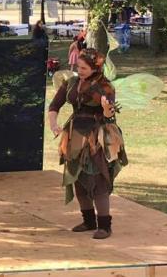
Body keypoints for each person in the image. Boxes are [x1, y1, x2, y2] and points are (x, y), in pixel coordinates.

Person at [48, 48, 128, 240]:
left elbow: (109, 115)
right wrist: (54, 125)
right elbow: (54, 105)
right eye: (78, 67)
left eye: (83, 67)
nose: (79, 70)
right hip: (74, 134)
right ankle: (89, 220)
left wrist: (106, 109)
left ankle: (104, 226)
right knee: (78, 178)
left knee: (98, 179)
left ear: (95, 68)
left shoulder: (105, 87)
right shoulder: (71, 83)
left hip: (97, 137)